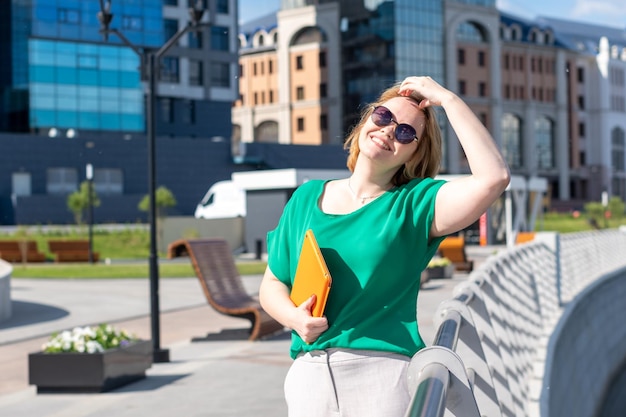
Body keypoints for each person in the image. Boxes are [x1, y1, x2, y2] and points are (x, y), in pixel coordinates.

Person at [259, 75, 510, 416]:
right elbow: (273, 284)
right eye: (383, 116)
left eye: (407, 132)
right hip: (309, 376)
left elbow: (493, 178)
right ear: (366, 121)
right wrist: (295, 319)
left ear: (414, 153)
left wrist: (446, 99)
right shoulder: (305, 198)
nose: (390, 130)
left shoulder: (415, 204)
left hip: (382, 378)